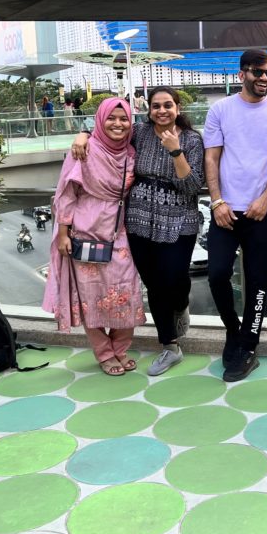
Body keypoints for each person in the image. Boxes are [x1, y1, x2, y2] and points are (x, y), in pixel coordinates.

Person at [70, 87, 206, 375]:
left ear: (178, 109)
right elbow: (108, 134)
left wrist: (175, 150)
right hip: (139, 219)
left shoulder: (192, 140)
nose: (161, 111)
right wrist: (82, 135)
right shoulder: (140, 133)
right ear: (149, 110)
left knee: (176, 279)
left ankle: (181, 305)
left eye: (167, 105)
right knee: (155, 285)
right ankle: (170, 346)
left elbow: (192, 186)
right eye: (156, 106)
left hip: (179, 219)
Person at [204, 49, 267, 381]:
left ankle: (249, 346)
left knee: (258, 283)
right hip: (225, 210)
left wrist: (266, 199)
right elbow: (211, 158)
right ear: (242, 73)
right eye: (258, 72)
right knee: (216, 274)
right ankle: (234, 331)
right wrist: (217, 201)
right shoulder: (220, 110)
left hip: (262, 211)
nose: (265, 78)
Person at [43, 98, 143, 376]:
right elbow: (66, 193)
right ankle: (105, 353)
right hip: (84, 231)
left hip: (119, 231)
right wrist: (63, 233)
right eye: (111, 118)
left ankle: (120, 348)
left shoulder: (131, 153)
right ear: (100, 120)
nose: (118, 124)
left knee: (126, 291)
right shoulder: (83, 151)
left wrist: (83, 132)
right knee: (90, 295)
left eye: (124, 119)